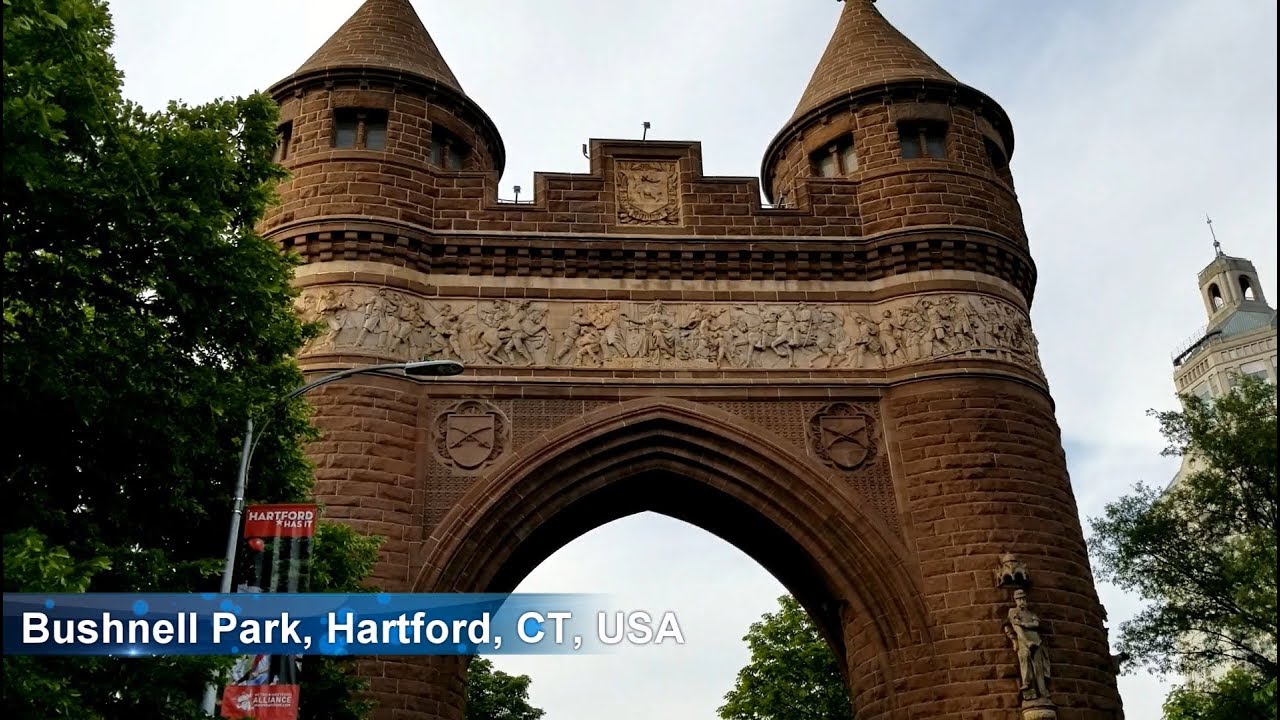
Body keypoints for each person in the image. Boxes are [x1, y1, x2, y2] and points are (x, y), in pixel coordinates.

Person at [1005, 589, 1051, 700]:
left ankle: (1042, 691)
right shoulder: (1013, 612)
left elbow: (1036, 624)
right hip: (1024, 642)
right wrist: (1026, 642)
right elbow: (1017, 628)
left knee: (1038, 667)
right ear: (1015, 600)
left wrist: (1024, 623)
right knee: (1025, 662)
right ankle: (1028, 688)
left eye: (1023, 599)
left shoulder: (1031, 614)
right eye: (1019, 599)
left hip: (1036, 641)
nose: (1022, 601)